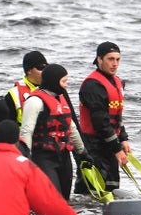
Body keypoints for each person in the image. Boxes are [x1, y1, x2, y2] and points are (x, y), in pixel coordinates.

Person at [20, 64, 92, 200]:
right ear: (54, 81)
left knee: (64, 200)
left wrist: (82, 152)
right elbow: (26, 131)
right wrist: (26, 158)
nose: (66, 85)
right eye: (64, 81)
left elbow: (72, 128)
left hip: (64, 157)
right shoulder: (35, 101)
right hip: (43, 157)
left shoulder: (62, 100)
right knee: (52, 199)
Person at [74, 41, 131, 195]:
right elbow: (101, 122)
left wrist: (123, 138)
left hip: (109, 144)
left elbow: (117, 115)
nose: (115, 64)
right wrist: (117, 149)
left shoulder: (117, 82)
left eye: (118, 60)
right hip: (93, 146)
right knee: (91, 191)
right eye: (110, 59)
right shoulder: (92, 86)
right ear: (99, 60)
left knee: (111, 187)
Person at [4, 51, 48, 126]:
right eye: (40, 68)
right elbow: (8, 126)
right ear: (29, 70)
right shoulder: (13, 95)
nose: (45, 71)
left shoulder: (56, 90)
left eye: (46, 67)